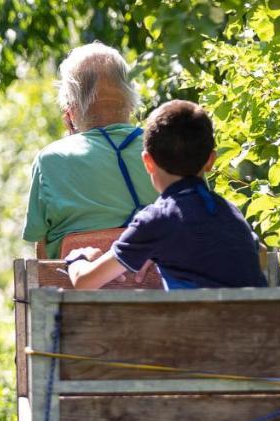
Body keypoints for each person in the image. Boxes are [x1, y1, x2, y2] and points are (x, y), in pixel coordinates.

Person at [65, 99, 267, 290]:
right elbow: (262, 253)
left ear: (147, 162)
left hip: (197, 327)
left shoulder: (155, 221)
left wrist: (78, 259)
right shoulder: (230, 212)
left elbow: (85, 282)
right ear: (210, 161)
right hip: (255, 325)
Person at [22, 43, 158, 258]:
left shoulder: (51, 160)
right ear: (131, 100)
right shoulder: (167, 147)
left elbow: (42, 250)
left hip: (78, 286)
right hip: (166, 285)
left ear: (71, 108)